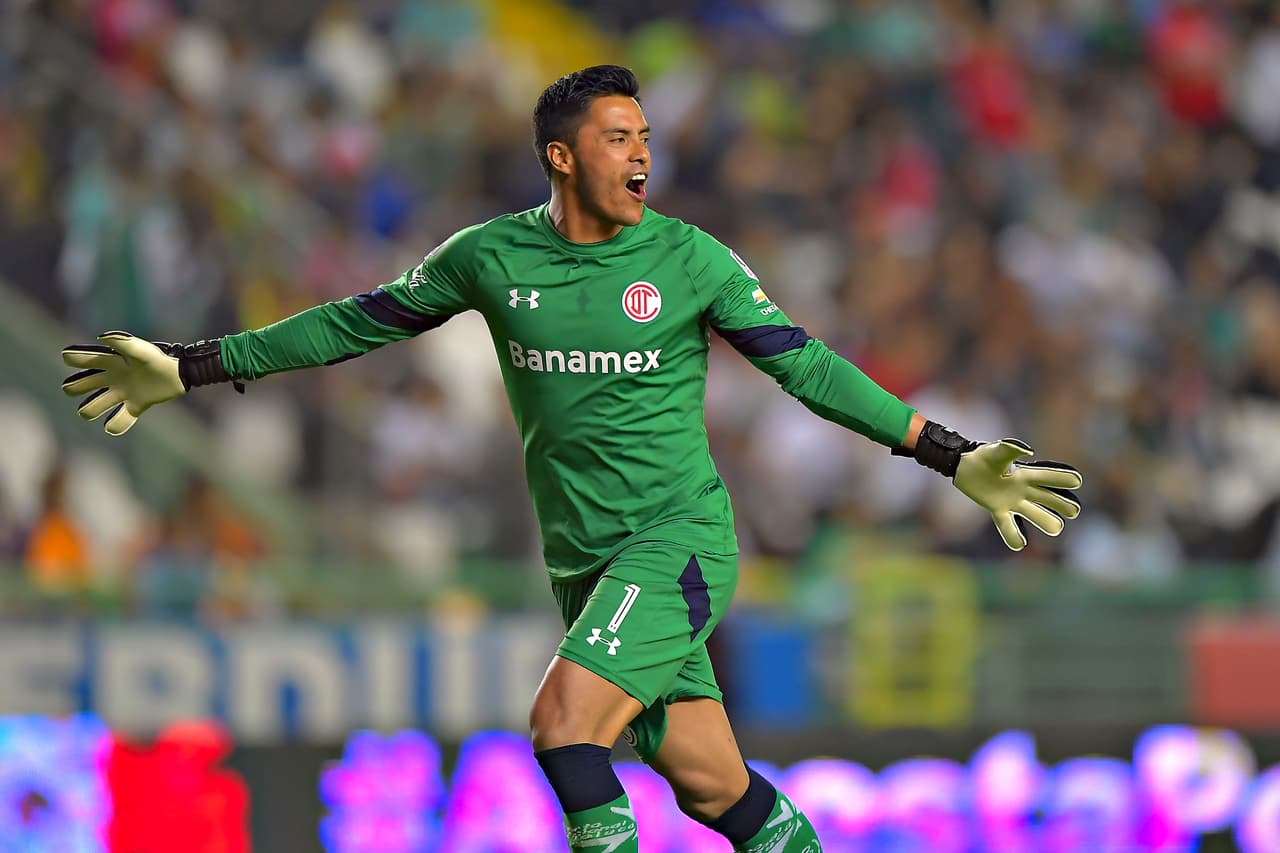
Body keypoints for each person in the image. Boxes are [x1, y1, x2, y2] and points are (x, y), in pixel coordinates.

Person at [61, 65, 1083, 853]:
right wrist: (190, 367)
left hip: (675, 544)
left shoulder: (689, 261)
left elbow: (808, 370)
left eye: (645, 136)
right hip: (584, 565)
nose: (641, 155)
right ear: (560, 156)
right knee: (715, 788)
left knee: (561, 724)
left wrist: (949, 456)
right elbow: (350, 325)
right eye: (616, 138)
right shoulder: (491, 259)